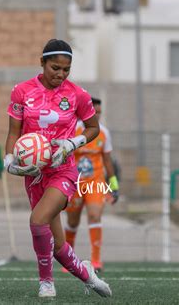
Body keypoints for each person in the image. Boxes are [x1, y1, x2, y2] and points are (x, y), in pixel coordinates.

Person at [4, 39, 112, 298]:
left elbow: (93, 128)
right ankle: (87, 274)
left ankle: (46, 282)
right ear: (42, 63)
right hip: (34, 174)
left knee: (37, 220)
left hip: (62, 171)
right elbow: (13, 132)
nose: (60, 74)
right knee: (57, 245)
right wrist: (10, 160)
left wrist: (72, 143)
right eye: (55, 68)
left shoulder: (78, 94)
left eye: (66, 69)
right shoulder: (21, 91)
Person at [64, 97, 120, 273]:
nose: (97, 116)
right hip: (75, 183)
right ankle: (68, 260)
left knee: (95, 216)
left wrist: (114, 186)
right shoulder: (74, 131)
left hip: (95, 182)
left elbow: (108, 161)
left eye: (100, 113)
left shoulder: (104, 133)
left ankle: (96, 260)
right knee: (72, 222)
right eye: (94, 112)